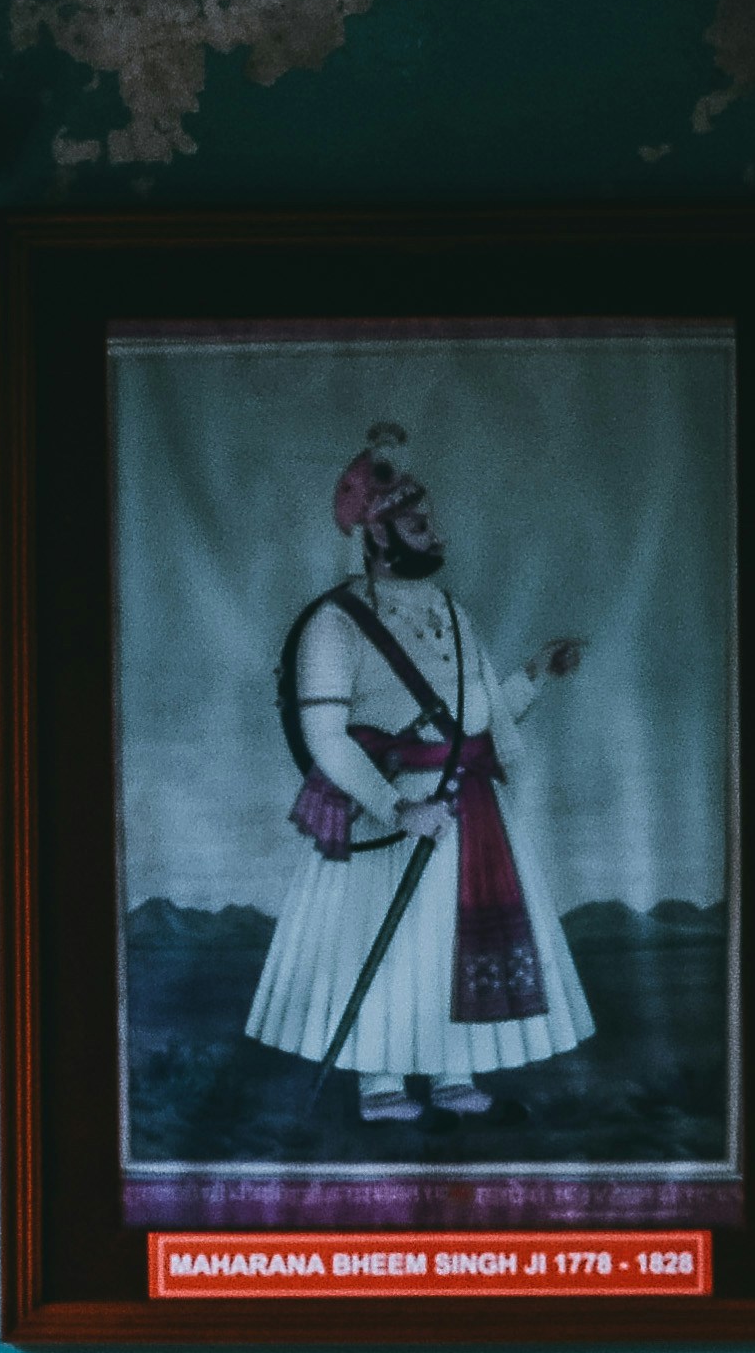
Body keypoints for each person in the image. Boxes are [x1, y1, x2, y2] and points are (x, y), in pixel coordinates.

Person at [242, 426, 592, 1121]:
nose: (435, 536)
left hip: (469, 808)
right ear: (376, 536)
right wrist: (395, 809)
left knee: (454, 943)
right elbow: (324, 738)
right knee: (387, 940)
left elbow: (483, 715)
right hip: (389, 808)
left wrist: (536, 675)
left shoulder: (452, 613)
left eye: (430, 523)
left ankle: (453, 1074)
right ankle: (380, 1085)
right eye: (418, 525)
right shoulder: (334, 625)